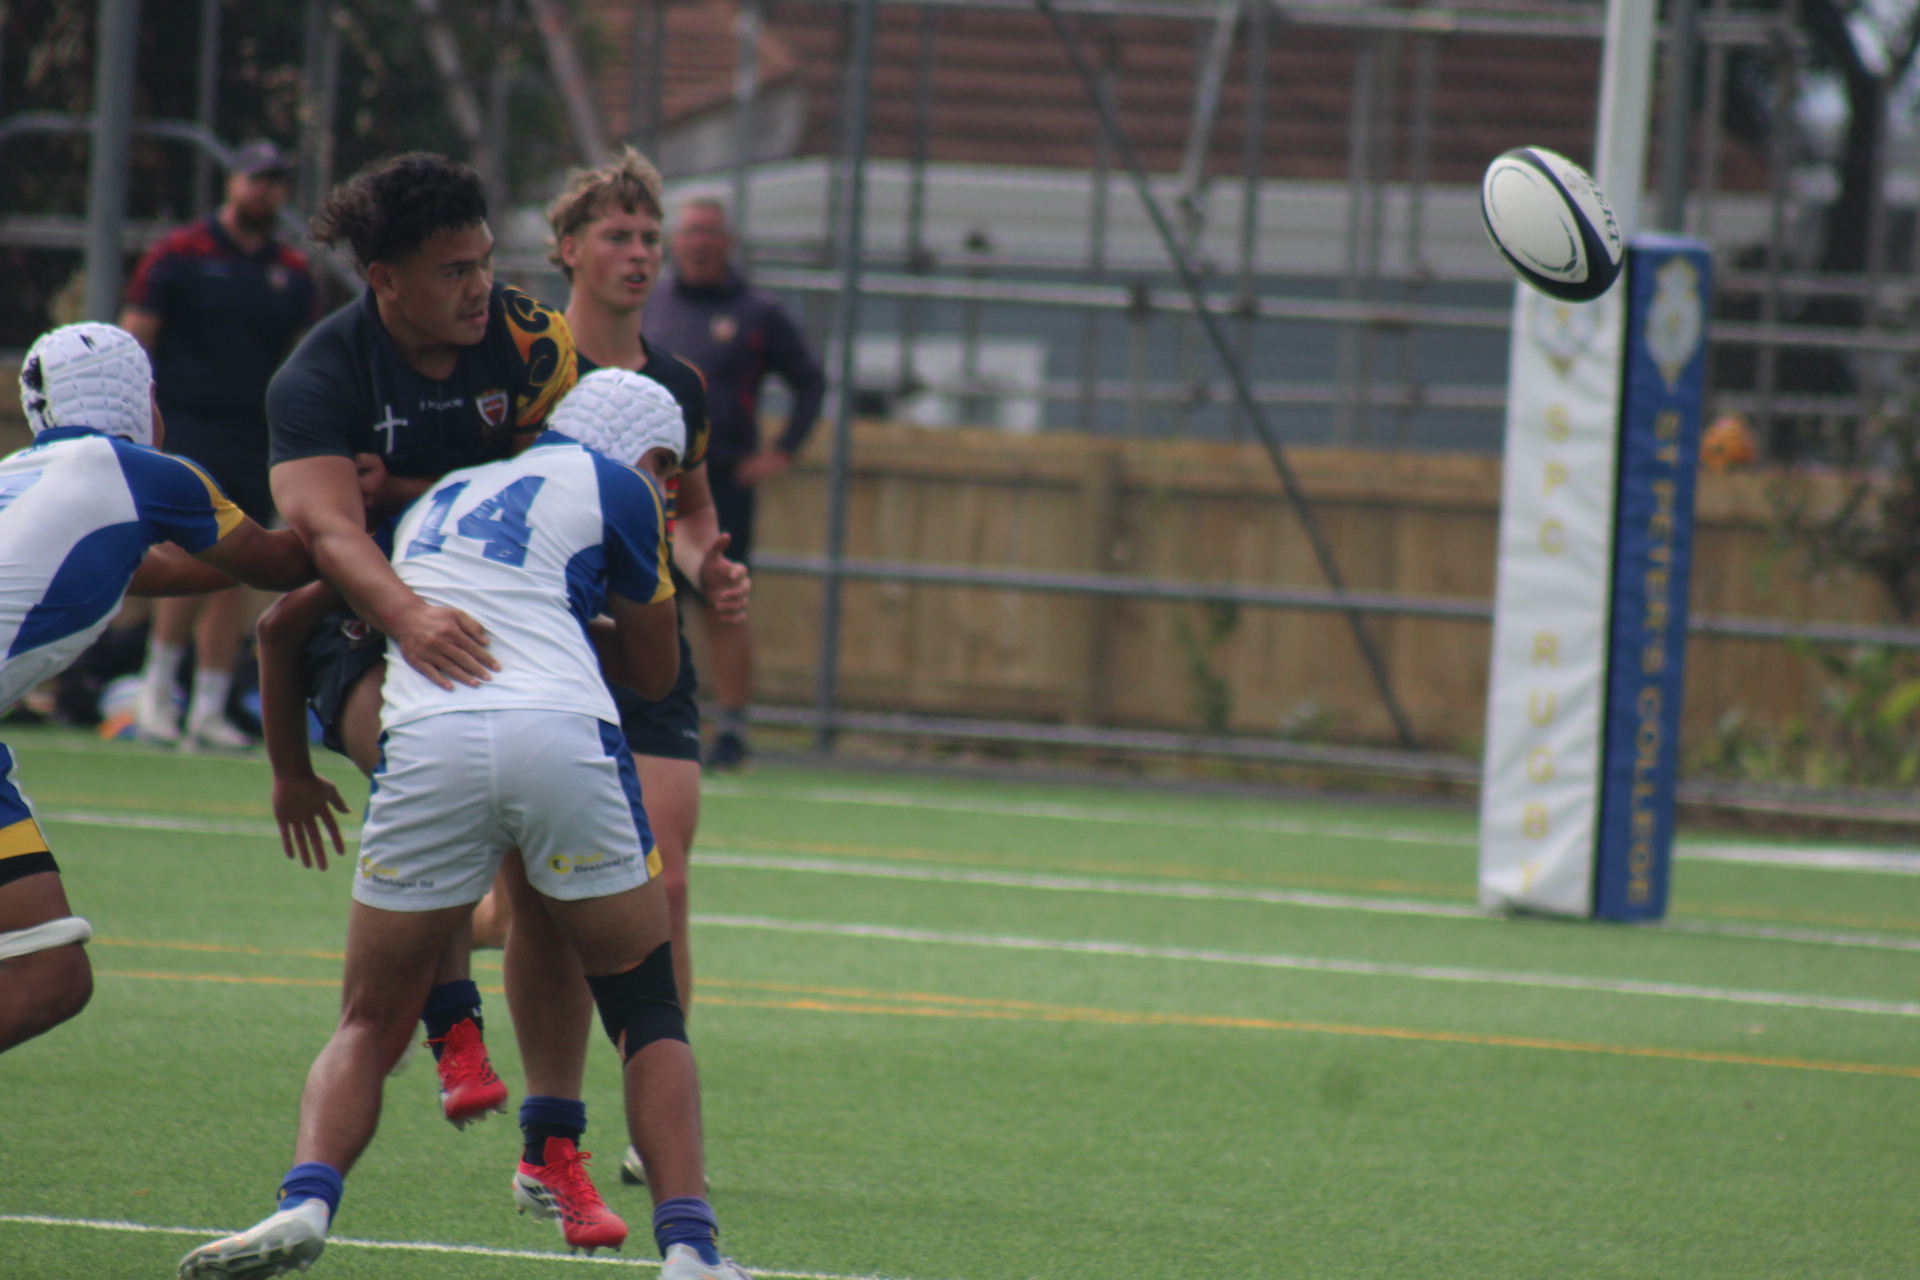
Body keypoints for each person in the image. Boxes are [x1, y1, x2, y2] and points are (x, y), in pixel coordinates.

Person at [178, 371, 753, 1280]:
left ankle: (305, 1199)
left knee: (368, 1017)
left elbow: (285, 624)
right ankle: (691, 1249)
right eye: (668, 475)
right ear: (649, 459)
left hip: (426, 733)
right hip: (558, 731)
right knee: (647, 1009)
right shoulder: (623, 487)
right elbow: (654, 670)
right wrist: (568, 616)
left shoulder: (446, 491)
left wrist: (290, 768)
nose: (668, 491)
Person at [259, 152, 581, 1139]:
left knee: (537, 878)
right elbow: (329, 532)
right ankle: (454, 1026)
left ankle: (548, 1125)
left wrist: (402, 489)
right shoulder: (320, 375)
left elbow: (557, 483)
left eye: (485, 260)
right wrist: (405, 614)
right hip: (363, 619)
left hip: (503, 610)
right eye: (454, 270)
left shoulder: (529, 341)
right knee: (421, 767)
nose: (481, 286)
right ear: (385, 279)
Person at [0, 322, 315, 1054]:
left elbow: (164, 571)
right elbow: (280, 563)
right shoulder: (146, 474)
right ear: (137, 399)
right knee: (47, 977)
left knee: (49, 971)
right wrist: (365, 504)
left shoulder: (22, 476)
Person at [542, 150, 751, 1188]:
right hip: (547, 652)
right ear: (568, 248)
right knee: (537, 908)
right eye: (617, 236)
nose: (638, 254)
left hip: (651, 650)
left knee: (663, 879)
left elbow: (693, 513)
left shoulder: (679, 385)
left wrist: (709, 565)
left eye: (649, 238)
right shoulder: (525, 368)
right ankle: (447, 953)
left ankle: (649, 1120)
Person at [121, 141, 317, 749]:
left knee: (240, 565)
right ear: (232, 183)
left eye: (276, 181)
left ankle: (208, 706)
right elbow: (136, 338)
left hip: (253, 435)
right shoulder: (181, 252)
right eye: (256, 179)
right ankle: (157, 694)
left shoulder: (292, 270)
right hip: (187, 429)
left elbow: (308, 355)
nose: (265, 191)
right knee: (188, 557)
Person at [642, 196, 822, 768]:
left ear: (727, 242)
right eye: (690, 232)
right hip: (648, 481)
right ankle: (649, 719)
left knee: (722, 601)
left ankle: (732, 729)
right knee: (645, 600)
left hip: (721, 483)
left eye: (710, 233)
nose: (699, 243)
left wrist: (781, 453)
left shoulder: (756, 311)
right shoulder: (650, 303)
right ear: (676, 241)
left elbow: (811, 381)